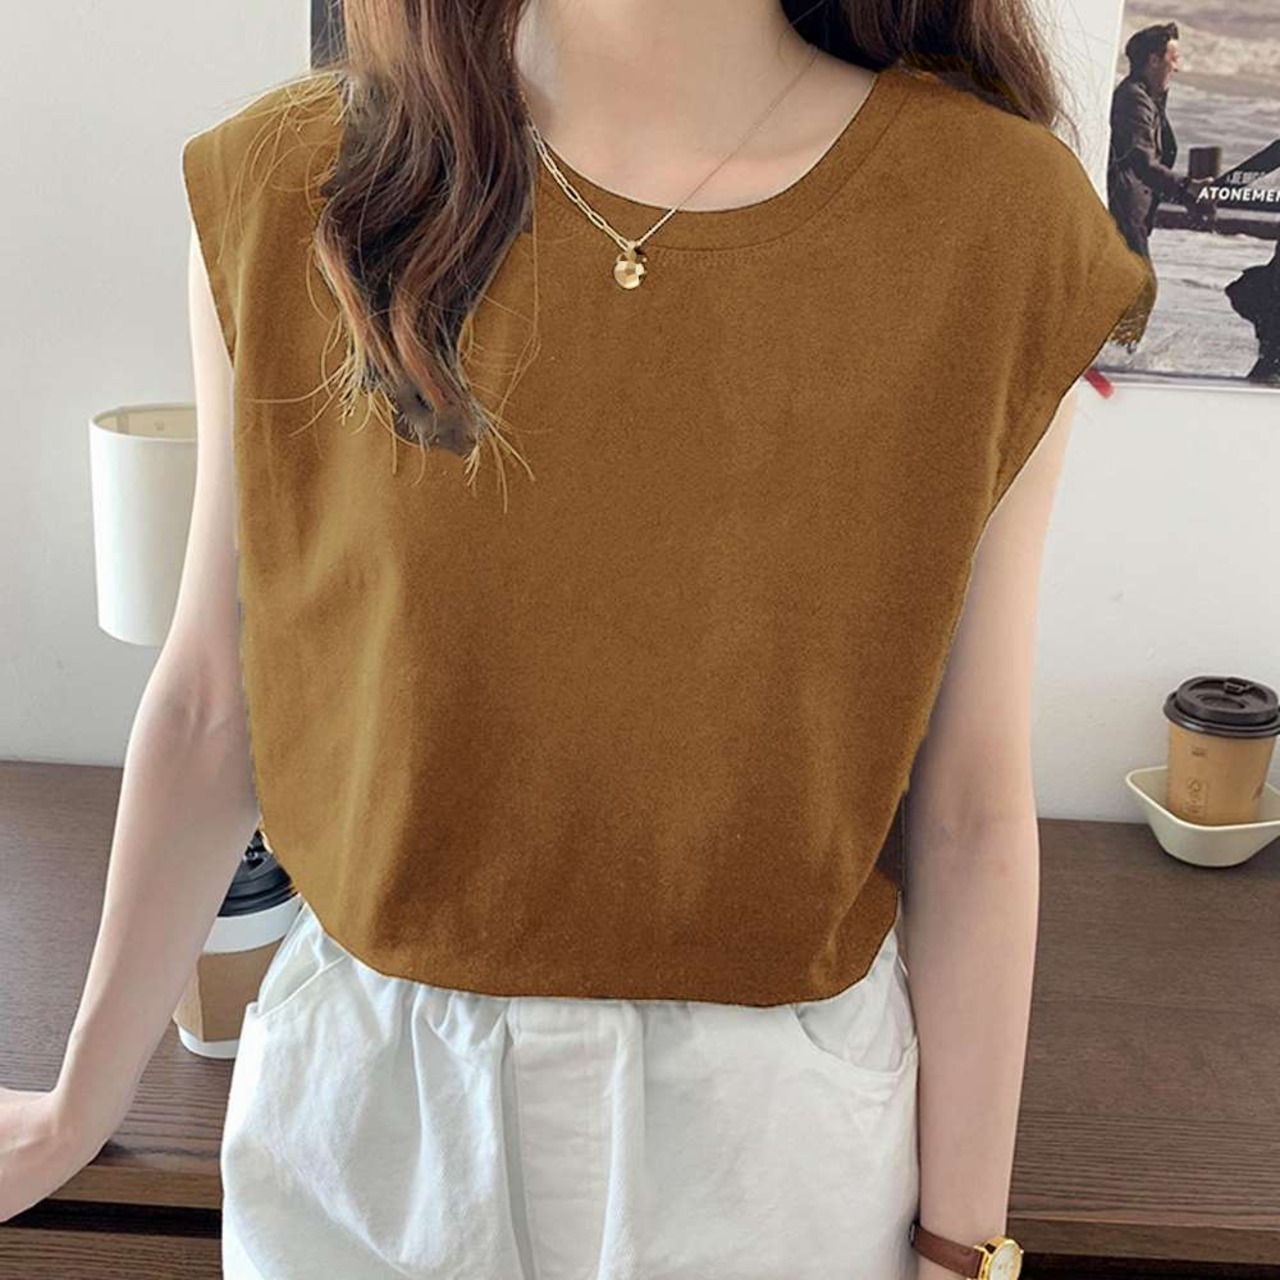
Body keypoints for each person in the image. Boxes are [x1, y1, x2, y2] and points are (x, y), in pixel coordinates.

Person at [1, 2, 1153, 1277]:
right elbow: (213, 700)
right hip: (363, 1117)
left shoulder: (991, 218)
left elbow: (969, 800)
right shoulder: (295, 184)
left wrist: (962, 1244)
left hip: (770, 1149)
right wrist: (74, 1107)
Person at [1107, 22, 1213, 258]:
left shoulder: (1147, 98)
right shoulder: (1134, 99)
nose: (1177, 68)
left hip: (1133, 214)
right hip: (1125, 214)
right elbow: (1142, 162)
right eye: (1173, 59)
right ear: (1154, 60)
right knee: (1140, 280)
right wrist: (1187, 187)